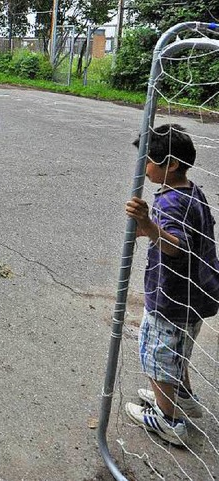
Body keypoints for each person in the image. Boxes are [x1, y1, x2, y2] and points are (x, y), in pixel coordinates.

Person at [124, 124, 219, 446]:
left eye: (148, 159)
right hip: (196, 295)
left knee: (157, 357)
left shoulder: (169, 203)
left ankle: (170, 421)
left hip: (172, 298)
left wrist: (150, 225)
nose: (144, 167)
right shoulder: (192, 193)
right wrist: (149, 230)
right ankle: (184, 397)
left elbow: (177, 245)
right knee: (176, 353)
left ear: (171, 164)